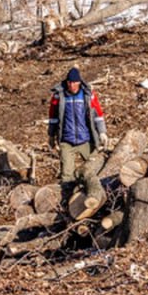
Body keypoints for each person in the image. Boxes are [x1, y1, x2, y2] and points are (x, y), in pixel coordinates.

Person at [48, 67, 108, 209]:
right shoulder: (59, 96)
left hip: (86, 139)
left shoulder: (87, 95)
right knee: (67, 176)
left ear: (79, 82)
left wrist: (102, 133)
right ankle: (68, 205)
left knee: (96, 166)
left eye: (74, 83)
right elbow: (53, 117)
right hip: (66, 140)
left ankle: (99, 196)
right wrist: (51, 135)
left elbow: (98, 114)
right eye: (69, 82)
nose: (71, 85)